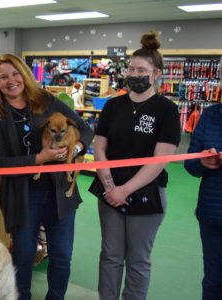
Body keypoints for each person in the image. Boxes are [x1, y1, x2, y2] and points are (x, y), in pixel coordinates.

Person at [0, 53, 93, 300]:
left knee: (62, 254)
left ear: (24, 74)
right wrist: (40, 159)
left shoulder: (47, 101)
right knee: (23, 255)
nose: (11, 80)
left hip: (59, 192)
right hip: (22, 196)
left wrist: (74, 149)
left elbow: (85, 129)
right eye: (3, 77)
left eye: (15, 73)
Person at [90, 31, 181, 300]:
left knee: (138, 259)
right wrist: (110, 186)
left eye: (141, 69)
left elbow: (160, 158)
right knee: (110, 255)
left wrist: (125, 190)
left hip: (146, 193)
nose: (134, 73)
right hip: (109, 193)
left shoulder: (166, 110)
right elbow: (99, 146)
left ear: (156, 74)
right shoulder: (113, 106)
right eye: (131, 68)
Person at [184, 101, 222, 300]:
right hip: (213, 215)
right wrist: (202, 161)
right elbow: (190, 163)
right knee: (213, 281)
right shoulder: (211, 115)